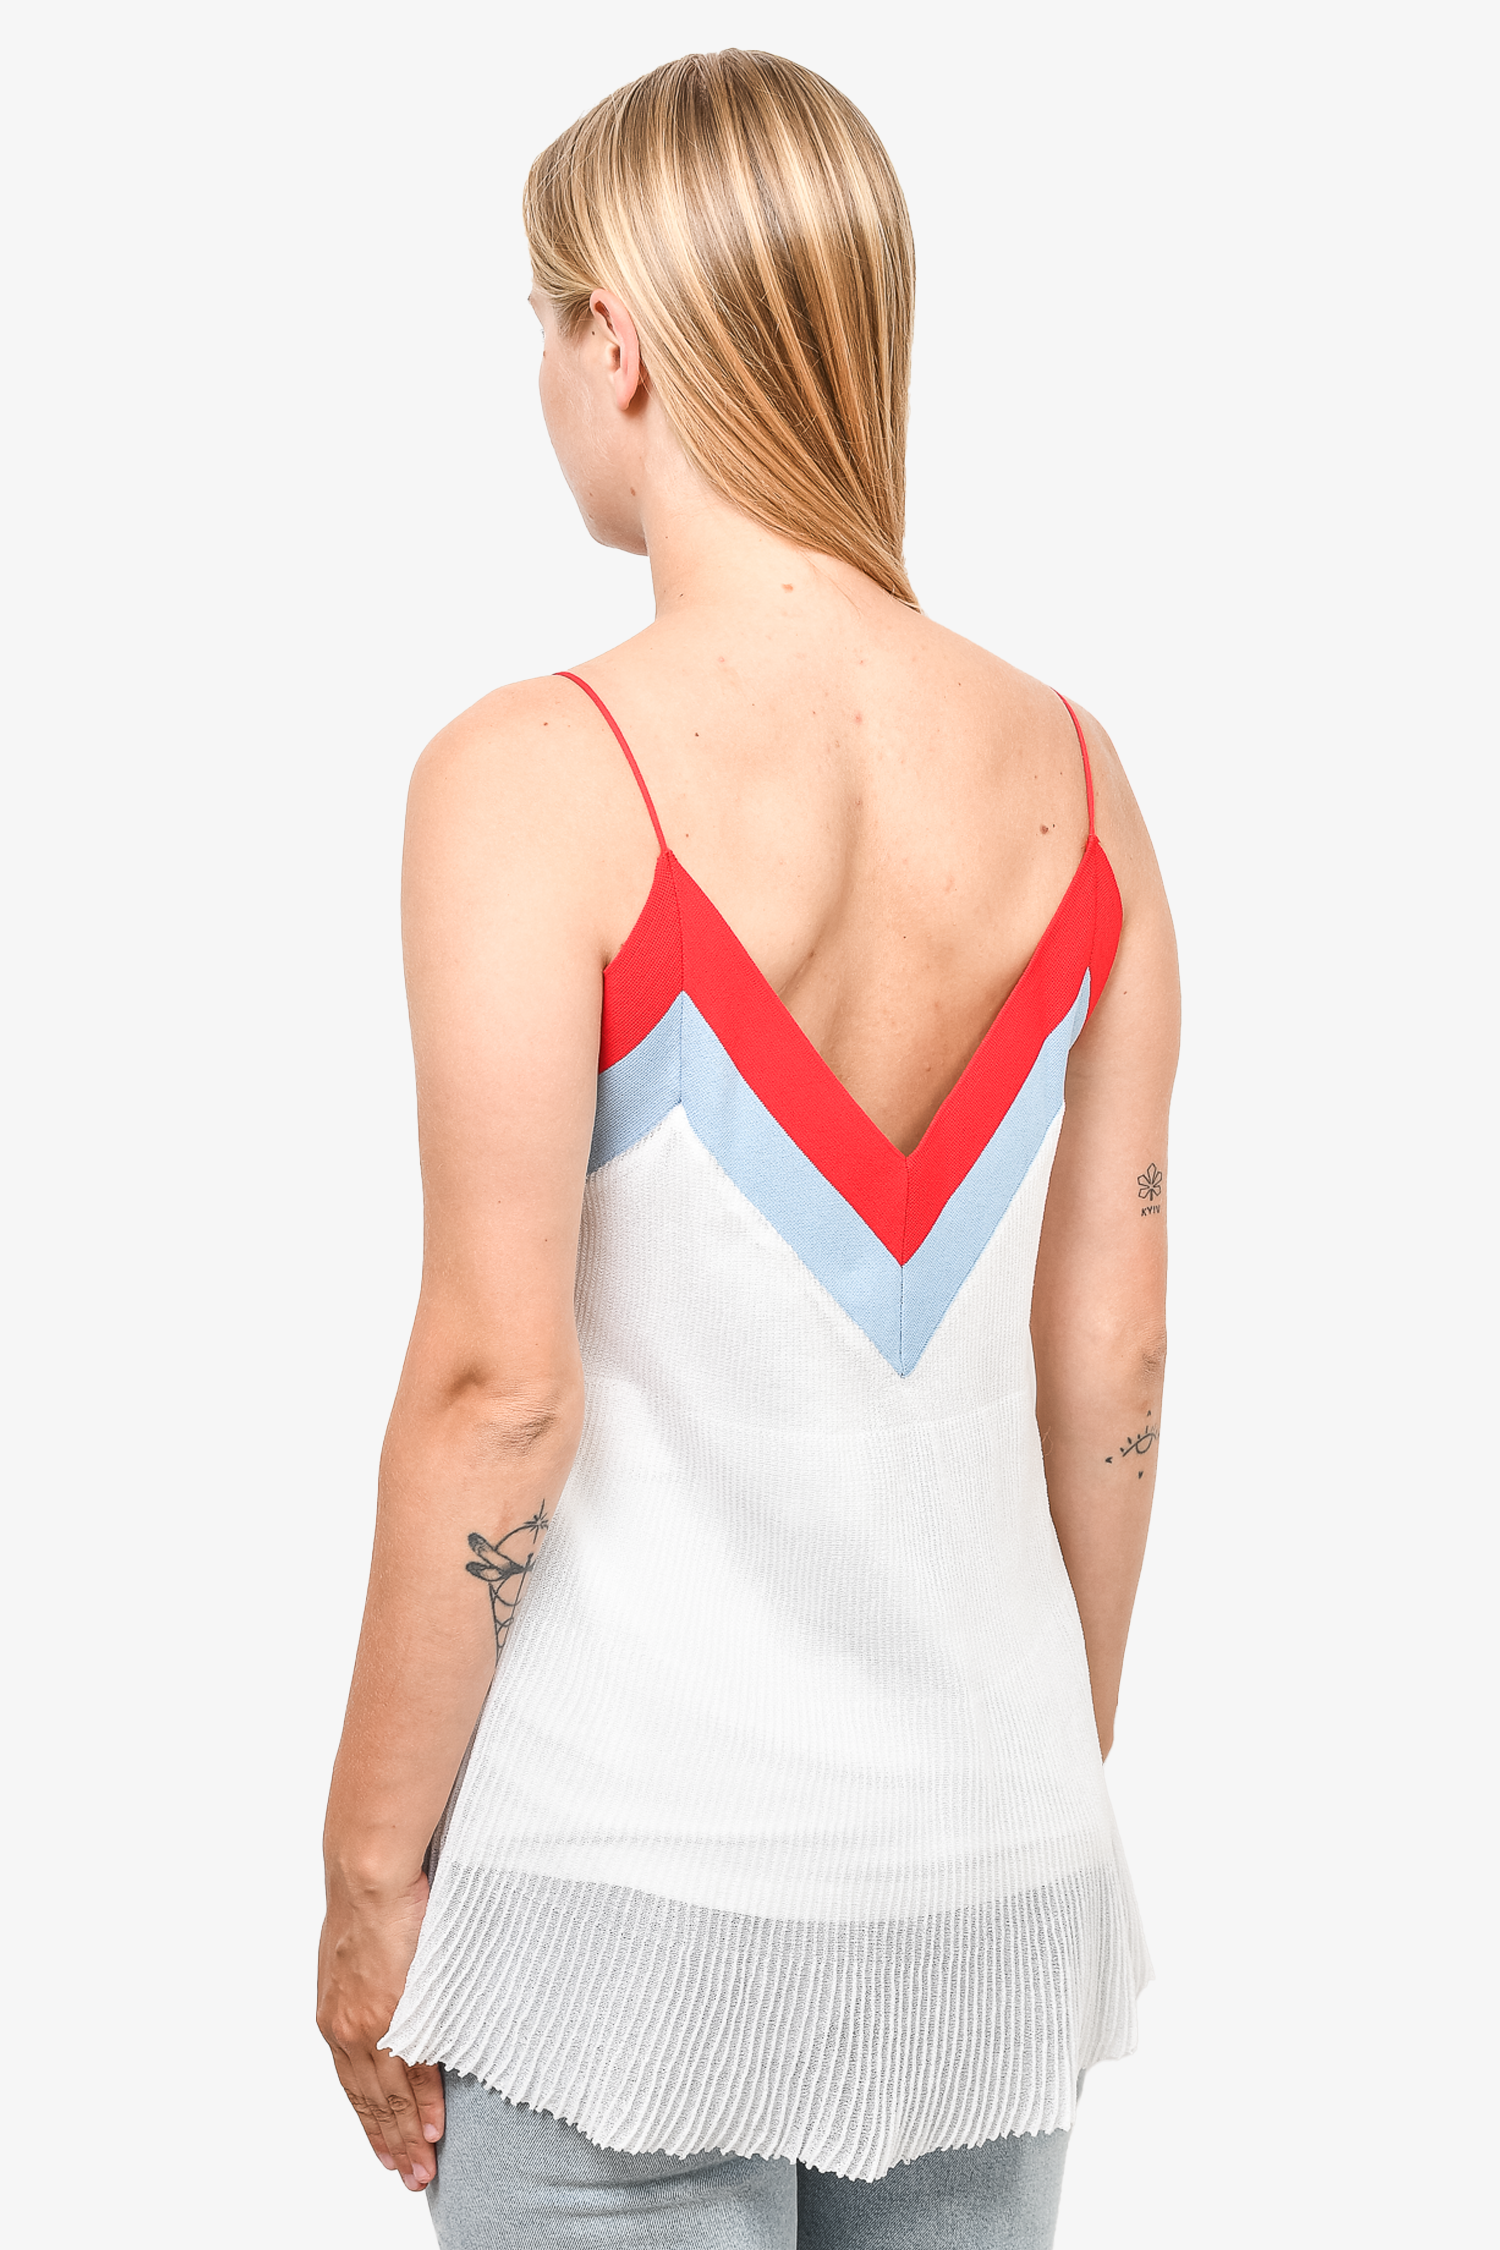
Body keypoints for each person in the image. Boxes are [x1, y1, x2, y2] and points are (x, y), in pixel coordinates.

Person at [317, 48, 1178, 2249]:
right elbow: (1116, 1364)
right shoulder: (1084, 781)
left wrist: (371, 1871)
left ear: (616, 344)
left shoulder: (535, 777)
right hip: (986, 1892)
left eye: (544, 321)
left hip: (624, 1915)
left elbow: (498, 1386)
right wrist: (1014, 1783)